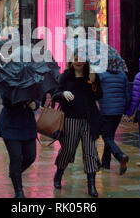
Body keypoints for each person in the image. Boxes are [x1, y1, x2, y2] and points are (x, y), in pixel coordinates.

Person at [51, 56, 103, 197]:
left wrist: (93, 82)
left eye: (81, 58)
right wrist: (62, 93)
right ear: (71, 60)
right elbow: (55, 94)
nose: (78, 61)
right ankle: (59, 173)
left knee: (90, 151)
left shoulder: (91, 76)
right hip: (70, 119)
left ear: (86, 61)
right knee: (68, 149)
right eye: (76, 58)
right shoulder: (65, 76)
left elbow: (99, 95)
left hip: (89, 119)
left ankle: (91, 185)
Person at [0, 96, 39, 198]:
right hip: (10, 124)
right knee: (16, 157)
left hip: (28, 125)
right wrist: (23, 100)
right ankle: (19, 190)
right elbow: (6, 102)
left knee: (30, 156)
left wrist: (35, 104)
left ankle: (14, 173)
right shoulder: (9, 81)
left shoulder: (33, 80)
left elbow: (37, 99)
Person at [98, 68, 131, 175]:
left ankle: (120, 156)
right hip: (118, 110)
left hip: (106, 109)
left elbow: (96, 92)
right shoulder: (122, 75)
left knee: (107, 137)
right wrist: (126, 109)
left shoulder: (100, 74)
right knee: (110, 136)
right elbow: (127, 93)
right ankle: (106, 162)